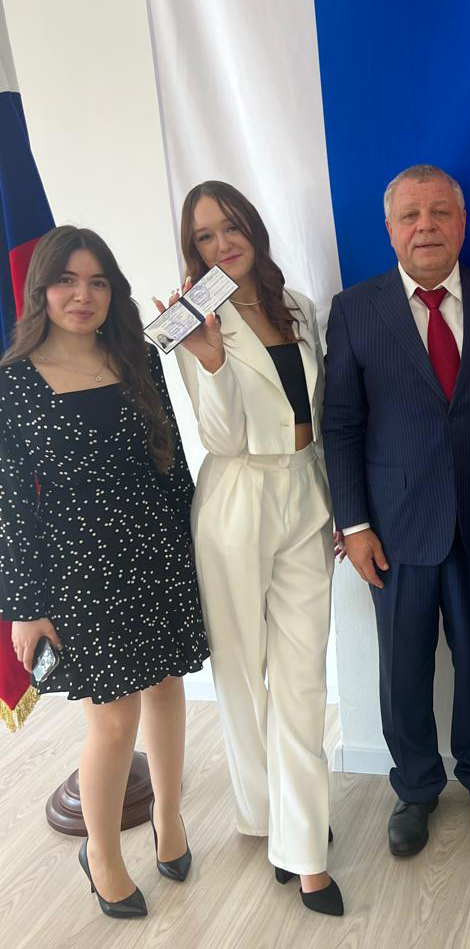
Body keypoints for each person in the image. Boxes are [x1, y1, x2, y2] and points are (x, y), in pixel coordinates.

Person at [322, 163, 470, 858]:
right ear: (390, 229)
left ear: (463, 223)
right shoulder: (354, 309)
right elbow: (342, 424)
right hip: (393, 529)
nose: (426, 226)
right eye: (411, 215)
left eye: (440, 212)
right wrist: (354, 524)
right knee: (403, 668)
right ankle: (416, 787)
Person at [0, 225, 208, 919]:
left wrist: (193, 551)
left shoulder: (138, 356)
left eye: (97, 281)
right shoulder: (14, 384)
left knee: (167, 686)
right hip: (79, 573)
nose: (82, 295)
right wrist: (25, 606)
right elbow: (9, 507)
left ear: (113, 291)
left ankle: (169, 818)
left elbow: (170, 462)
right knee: (114, 720)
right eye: (66, 280)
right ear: (41, 290)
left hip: (156, 552)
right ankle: (103, 855)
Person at [161, 180, 342, 916]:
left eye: (231, 226)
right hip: (236, 497)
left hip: (304, 491)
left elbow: (322, 413)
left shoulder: (296, 304)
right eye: (204, 235)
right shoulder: (189, 317)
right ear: (192, 248)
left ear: (252, 229)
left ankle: (302, 844)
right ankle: (265, 813)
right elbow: (222, 436)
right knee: (241, 674)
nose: (221, 243)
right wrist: (209, 360)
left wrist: (339, 504)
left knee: (302, 675)